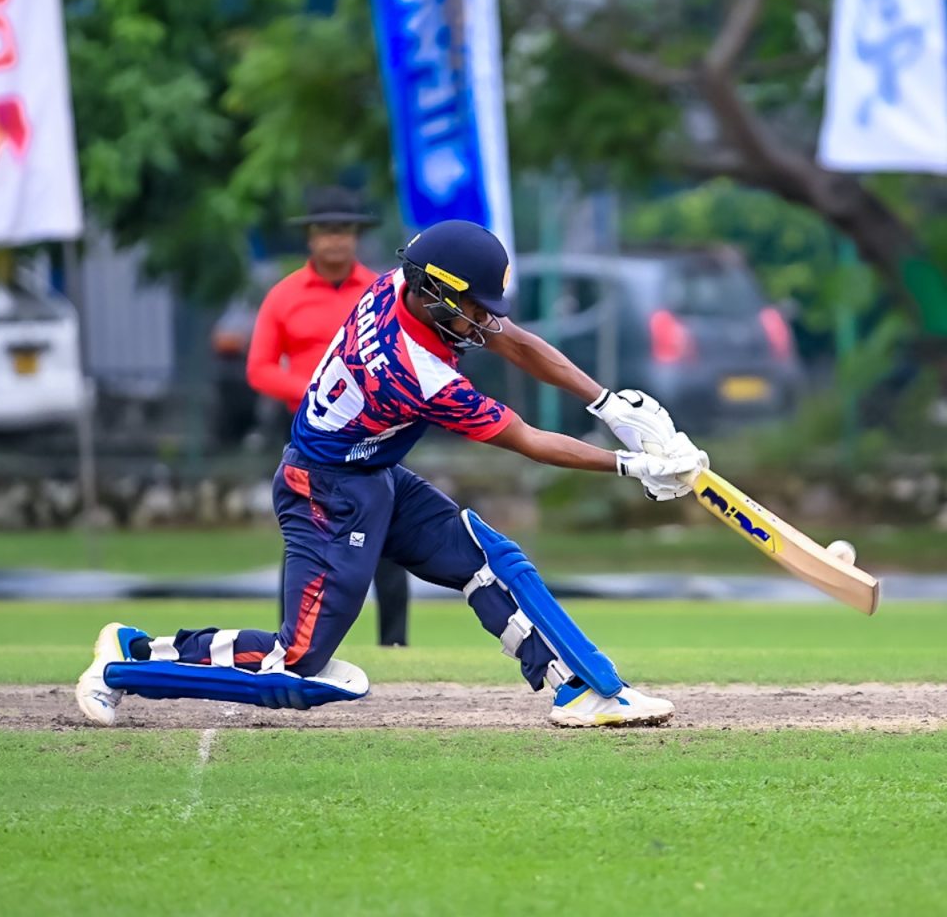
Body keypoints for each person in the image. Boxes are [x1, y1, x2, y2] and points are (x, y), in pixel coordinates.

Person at [76, 220, 707, 729]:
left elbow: (511, 337)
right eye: (472, 309)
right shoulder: (415, 373)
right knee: (295, 671)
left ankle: (583, 689)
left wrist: (607, 404)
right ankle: (125, 665)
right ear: (434, 294)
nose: (484, 321)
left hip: (371, 470)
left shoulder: (396, 285)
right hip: (324, 493)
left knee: (493, 561)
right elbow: (530, 441)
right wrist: (630, 463)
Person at [245, 186, 409, 647]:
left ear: (357, 236)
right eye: (325, 231)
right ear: (311, 238)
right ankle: (289, 639)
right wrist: (323, 396)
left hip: (374, 431)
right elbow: (259, 368)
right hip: (310, 433)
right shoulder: (284, 296)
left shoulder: (381, 292)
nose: (335, 240)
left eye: (344, 231)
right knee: (304, 533)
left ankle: (394, 643)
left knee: (387, 526)